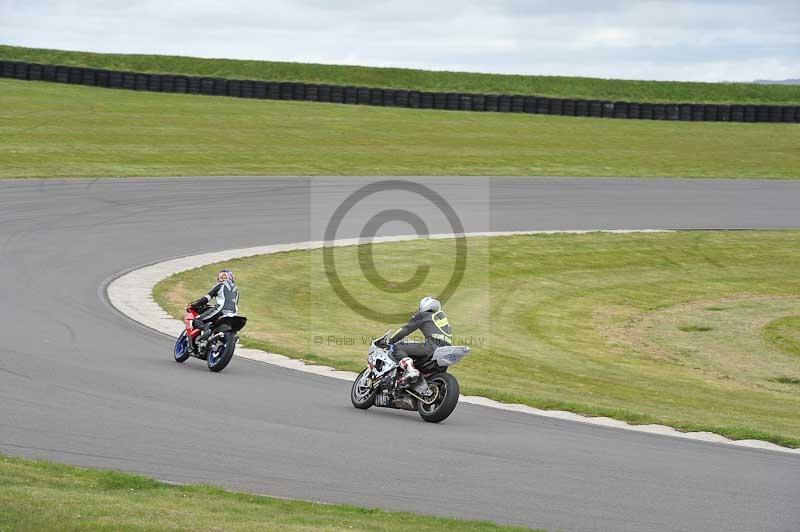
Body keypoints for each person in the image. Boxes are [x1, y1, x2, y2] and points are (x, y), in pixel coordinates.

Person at [387, 296, 452, 386]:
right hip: (447, 350)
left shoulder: (423, 315)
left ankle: (410, 370)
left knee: (397, 347)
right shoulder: (442, 319)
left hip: (432, 347)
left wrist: (390, 340)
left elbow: (406, 329)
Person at [187, 269, 239, 353]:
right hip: (234, 314)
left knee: (195, 320)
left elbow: (206, 299)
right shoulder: (237, 290)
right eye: (221, 276)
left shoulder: (219, 285)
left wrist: (194, 305)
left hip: (220, 310)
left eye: (224, 277)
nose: (222, 278)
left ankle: (206, 330)